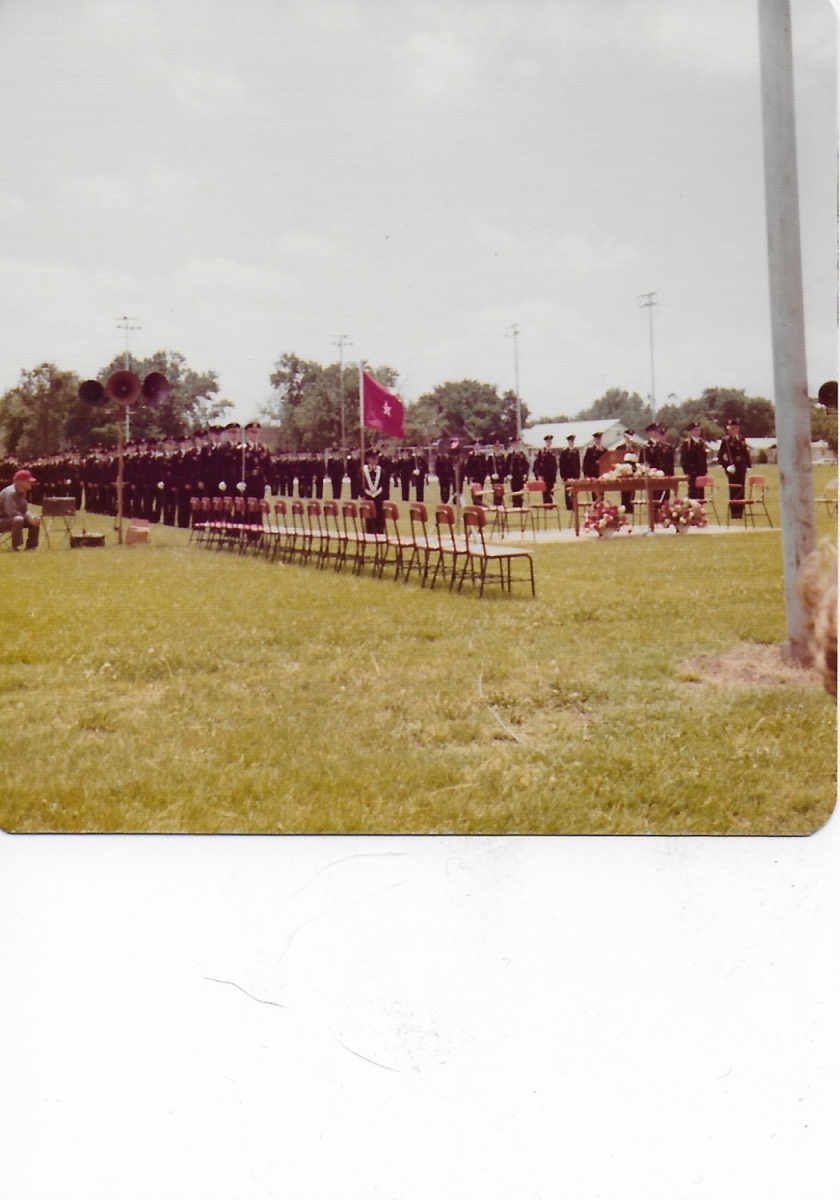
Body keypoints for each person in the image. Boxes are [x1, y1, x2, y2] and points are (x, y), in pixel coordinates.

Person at [717, 417, 751, 519]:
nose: (732, 430)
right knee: (733, 490)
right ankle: (734, 513)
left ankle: (740, 513)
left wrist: (748, 465)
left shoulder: (741, 439)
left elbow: (745, 453)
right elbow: (720, 456)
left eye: (734, 428)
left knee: (741, 490)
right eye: (731, 429)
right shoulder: (726, 440)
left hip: (741, 468)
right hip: (732, 469)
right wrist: (726, 465)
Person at [0, 468, 41, 550]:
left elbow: (24, 510)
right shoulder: (10, 492)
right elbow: (11, 512)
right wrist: (28, 518)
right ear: (19, 482)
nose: (31, 483)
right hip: (2, 519)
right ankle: (15, 546)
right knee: (18, 519)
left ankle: (31, 546)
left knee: (35, 518)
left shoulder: (23, 492)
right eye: (28, 481)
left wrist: (31, 517)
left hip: (10, 519)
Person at [680, 421, 708, 499]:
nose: (697, 432)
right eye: (695, 430)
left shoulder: (702, 443)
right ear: (691, 431)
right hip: (692, 473)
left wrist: (705, 471)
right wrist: (687, 472)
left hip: (701, 472)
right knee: (693, 493)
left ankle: (700, 506)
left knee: (701, 493)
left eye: (698, 430)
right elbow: (683, 460)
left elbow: (704, 458)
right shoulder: (687, 444)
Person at [558, 434, 581, 511]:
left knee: (575, 491)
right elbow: (562, 464)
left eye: (573, 441)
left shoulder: (576, 451)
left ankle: (574, 504)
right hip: (567, 474)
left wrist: (578, 475)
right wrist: (562, 476)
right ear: (568, 442)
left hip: (575, 474)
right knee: (567, 490)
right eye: (570, 441)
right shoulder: (565, 452)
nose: (571, 442)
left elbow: (578, 463)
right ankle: (568, 506)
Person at [534, 434, 558, 503]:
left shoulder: (553, 452)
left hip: (551, 476)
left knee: (551, 492)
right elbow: (537, 464)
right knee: (545, 492)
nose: (549, 442)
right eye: (548, 441)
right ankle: (546, 505)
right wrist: (539, 475)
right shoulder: (542, 452)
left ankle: (550, 505)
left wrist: (555, 476)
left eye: (550, 441)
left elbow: (555, 465)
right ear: (546, 442)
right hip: (544, 476)